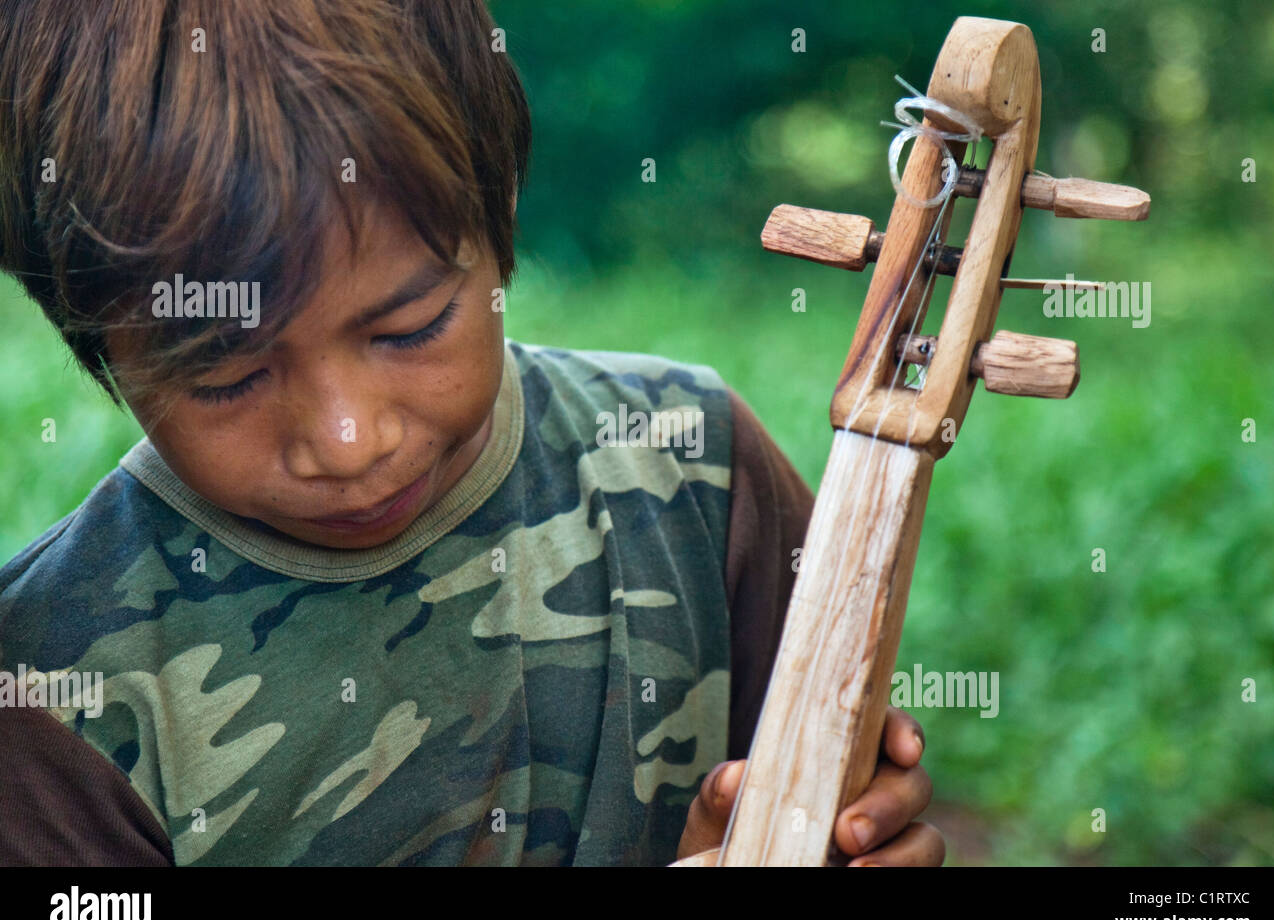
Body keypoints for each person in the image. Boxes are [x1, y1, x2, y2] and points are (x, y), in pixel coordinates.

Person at [0, 0, 943, 866]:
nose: (348, 439)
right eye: (228, 377)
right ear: (100, 345)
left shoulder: (694, 476)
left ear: (500, 224)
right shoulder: (45, 695)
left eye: (411, 329)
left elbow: (818, 793)